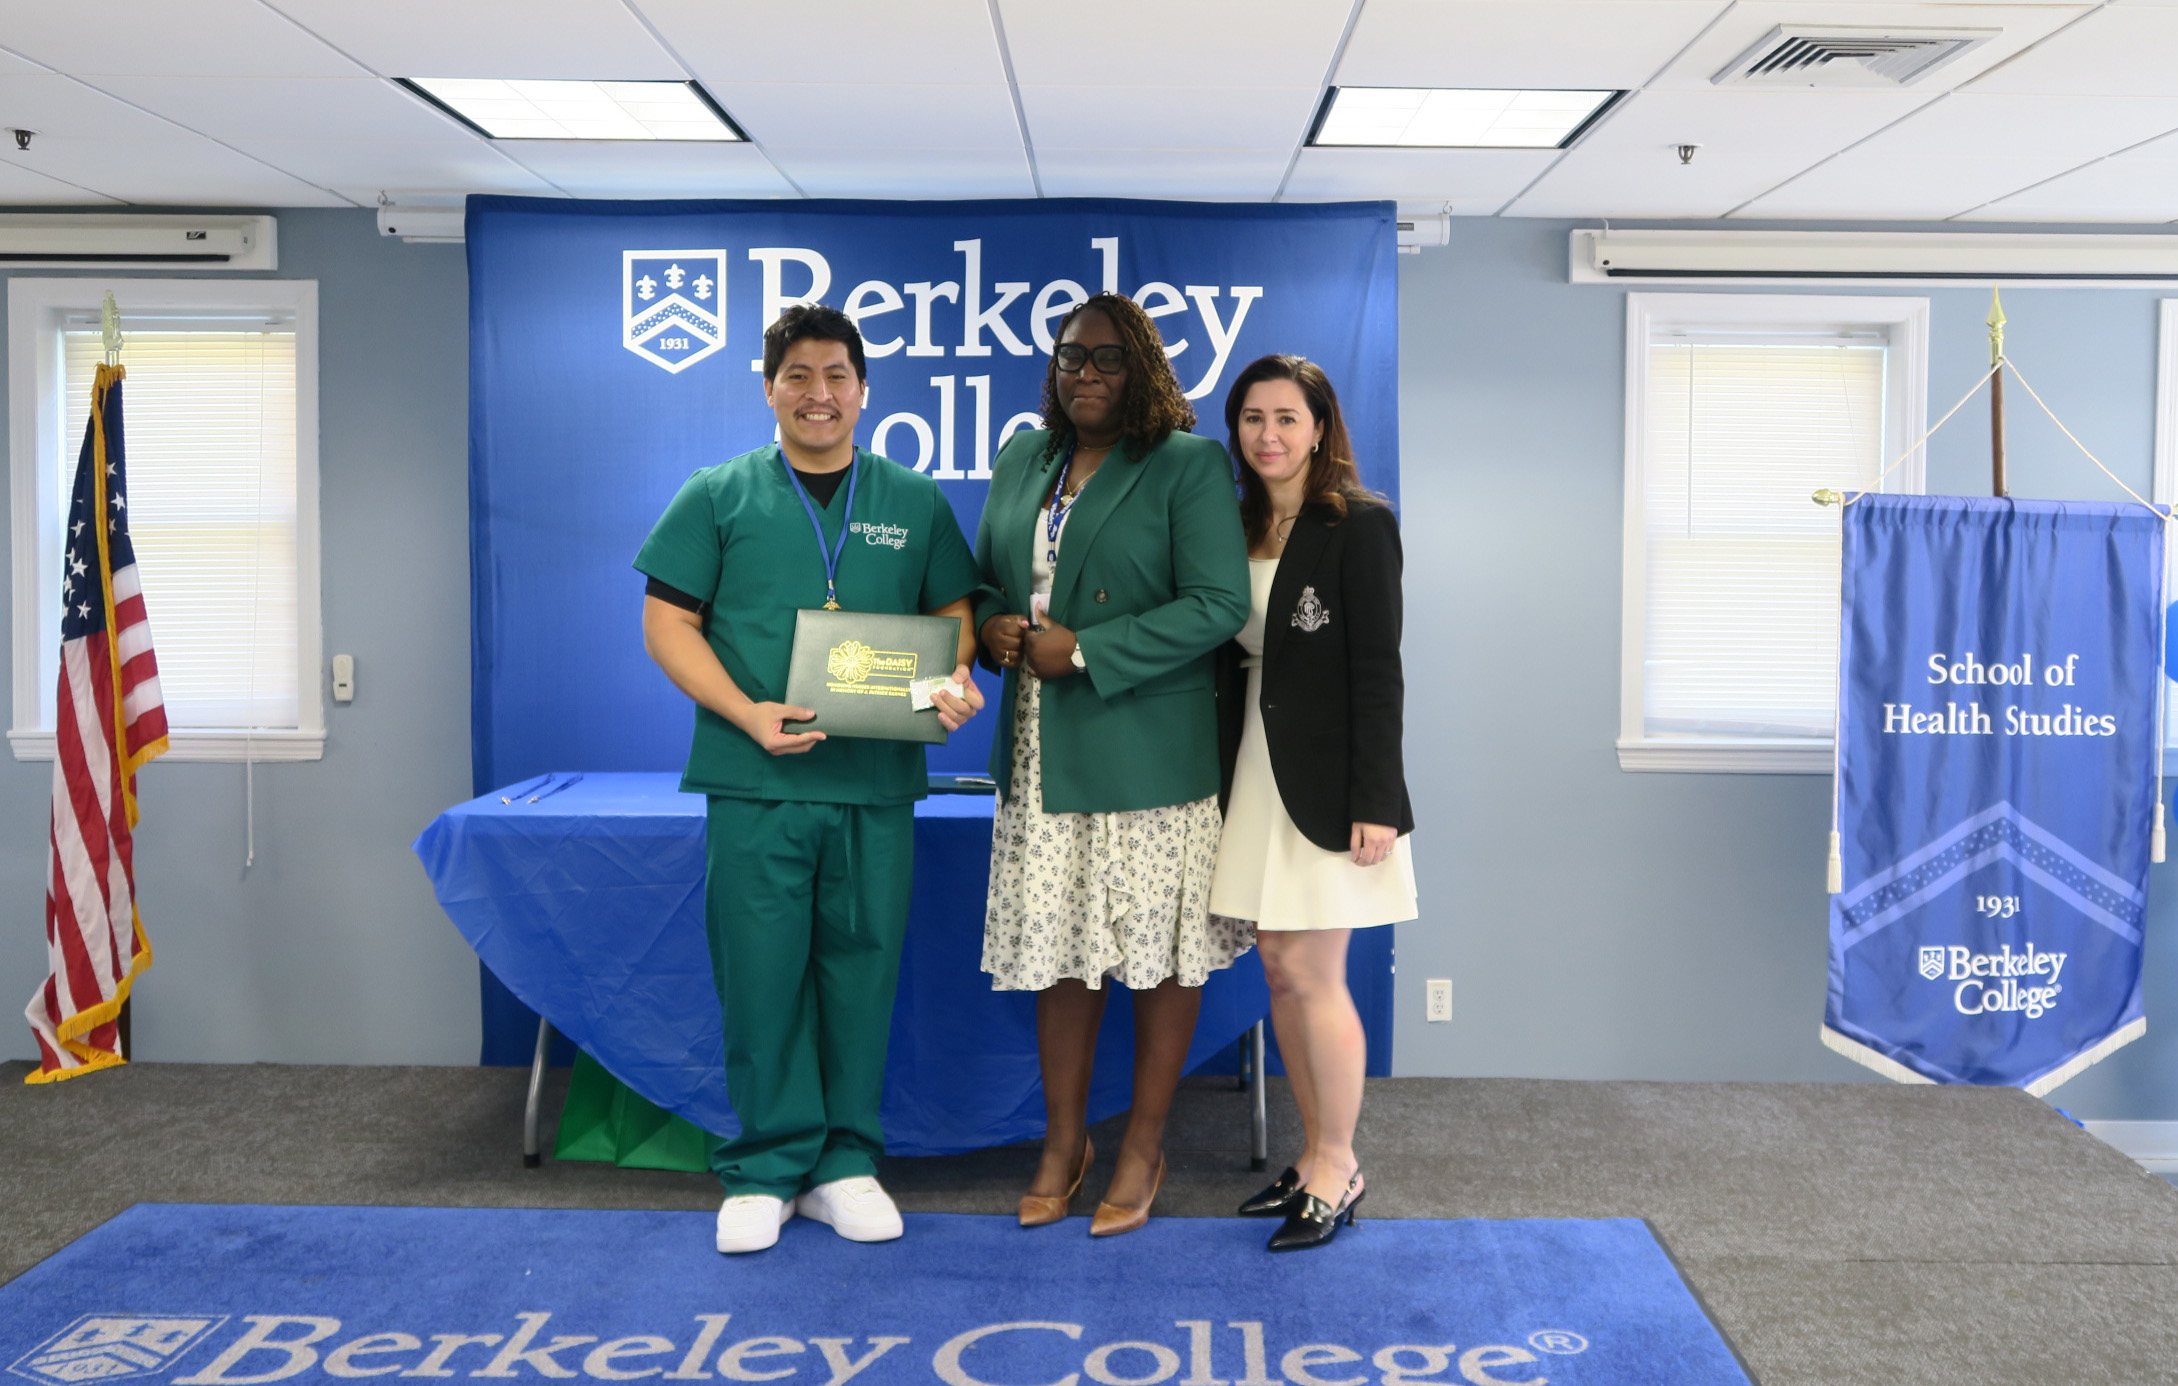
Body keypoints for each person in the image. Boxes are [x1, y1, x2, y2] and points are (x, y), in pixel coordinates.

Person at [635, 303, 985, 1255]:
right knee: (760, 979)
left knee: (862, 974)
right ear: (769, 388)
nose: (818, 394)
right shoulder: (718, 494)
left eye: (836, 375)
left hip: (873, 783)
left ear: (864, 392)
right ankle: (764, 1168)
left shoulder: (911, 500)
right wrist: (745, 713)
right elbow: (668, 622)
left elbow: (954, 615)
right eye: (798, 376)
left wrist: (951, 685)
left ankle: (845, 1164)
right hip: (757, 781)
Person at [975, 293, 1251, 1237]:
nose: (1084, 375)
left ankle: (1142, 1144)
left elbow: (1217, 603)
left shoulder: (1187, 465)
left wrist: (1086, 648)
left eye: (1105, 360)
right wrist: (991, 626)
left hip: (1147, 753)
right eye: (1069, 358)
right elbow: (983, 577)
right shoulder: (1024, 457)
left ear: (1142, 369)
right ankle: (1064, 1143)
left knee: (1158, 959)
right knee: (1059, 955)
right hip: (1040, 747)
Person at [1209, 354, 1415, 1252]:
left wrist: (1379, 800)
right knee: (1278, 971)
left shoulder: (1359, 525)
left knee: (1315, 974)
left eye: (1288, 418)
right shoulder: (1235, 521)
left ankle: (1340, 1162)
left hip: (1332, 780)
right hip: (1255, 766)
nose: (1269, 436)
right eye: (1253, 418)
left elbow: (1378, 670)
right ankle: (1310, 1154)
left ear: (1320, 427)